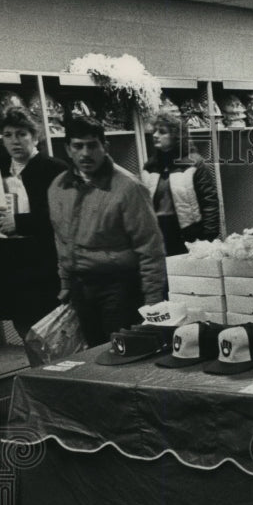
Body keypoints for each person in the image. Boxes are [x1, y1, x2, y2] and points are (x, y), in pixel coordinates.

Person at [48, 117, 167, 347]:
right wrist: (65, 282)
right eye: (78, 146)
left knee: (123, 353)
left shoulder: (128, 188)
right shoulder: (59, 186)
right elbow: (61, 238)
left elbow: (150, 246)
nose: (85, 153)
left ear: (105, 147)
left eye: (92, 145)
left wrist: (153, 301)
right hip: (80, 287)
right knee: (93, 355)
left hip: (119, 287)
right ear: (67, 149)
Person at [0, 106, 69, 340]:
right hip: (10, 260)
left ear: (35, 137)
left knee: (51, 326)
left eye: (21, 134)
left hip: (44, 260)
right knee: (23, 325)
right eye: (8, 135)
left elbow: (63, 215)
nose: (14, 141)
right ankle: (37, 372)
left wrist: (21, 223)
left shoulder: (55, 169)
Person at [141, 112, 220, 256]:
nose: (155, 135)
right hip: (158, 234)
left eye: (162, 132)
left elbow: (209, 201)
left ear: (176, 136)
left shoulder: (194, 163)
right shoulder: (150, 166)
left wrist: (209, 237)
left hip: (188, 234)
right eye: (154, 131)